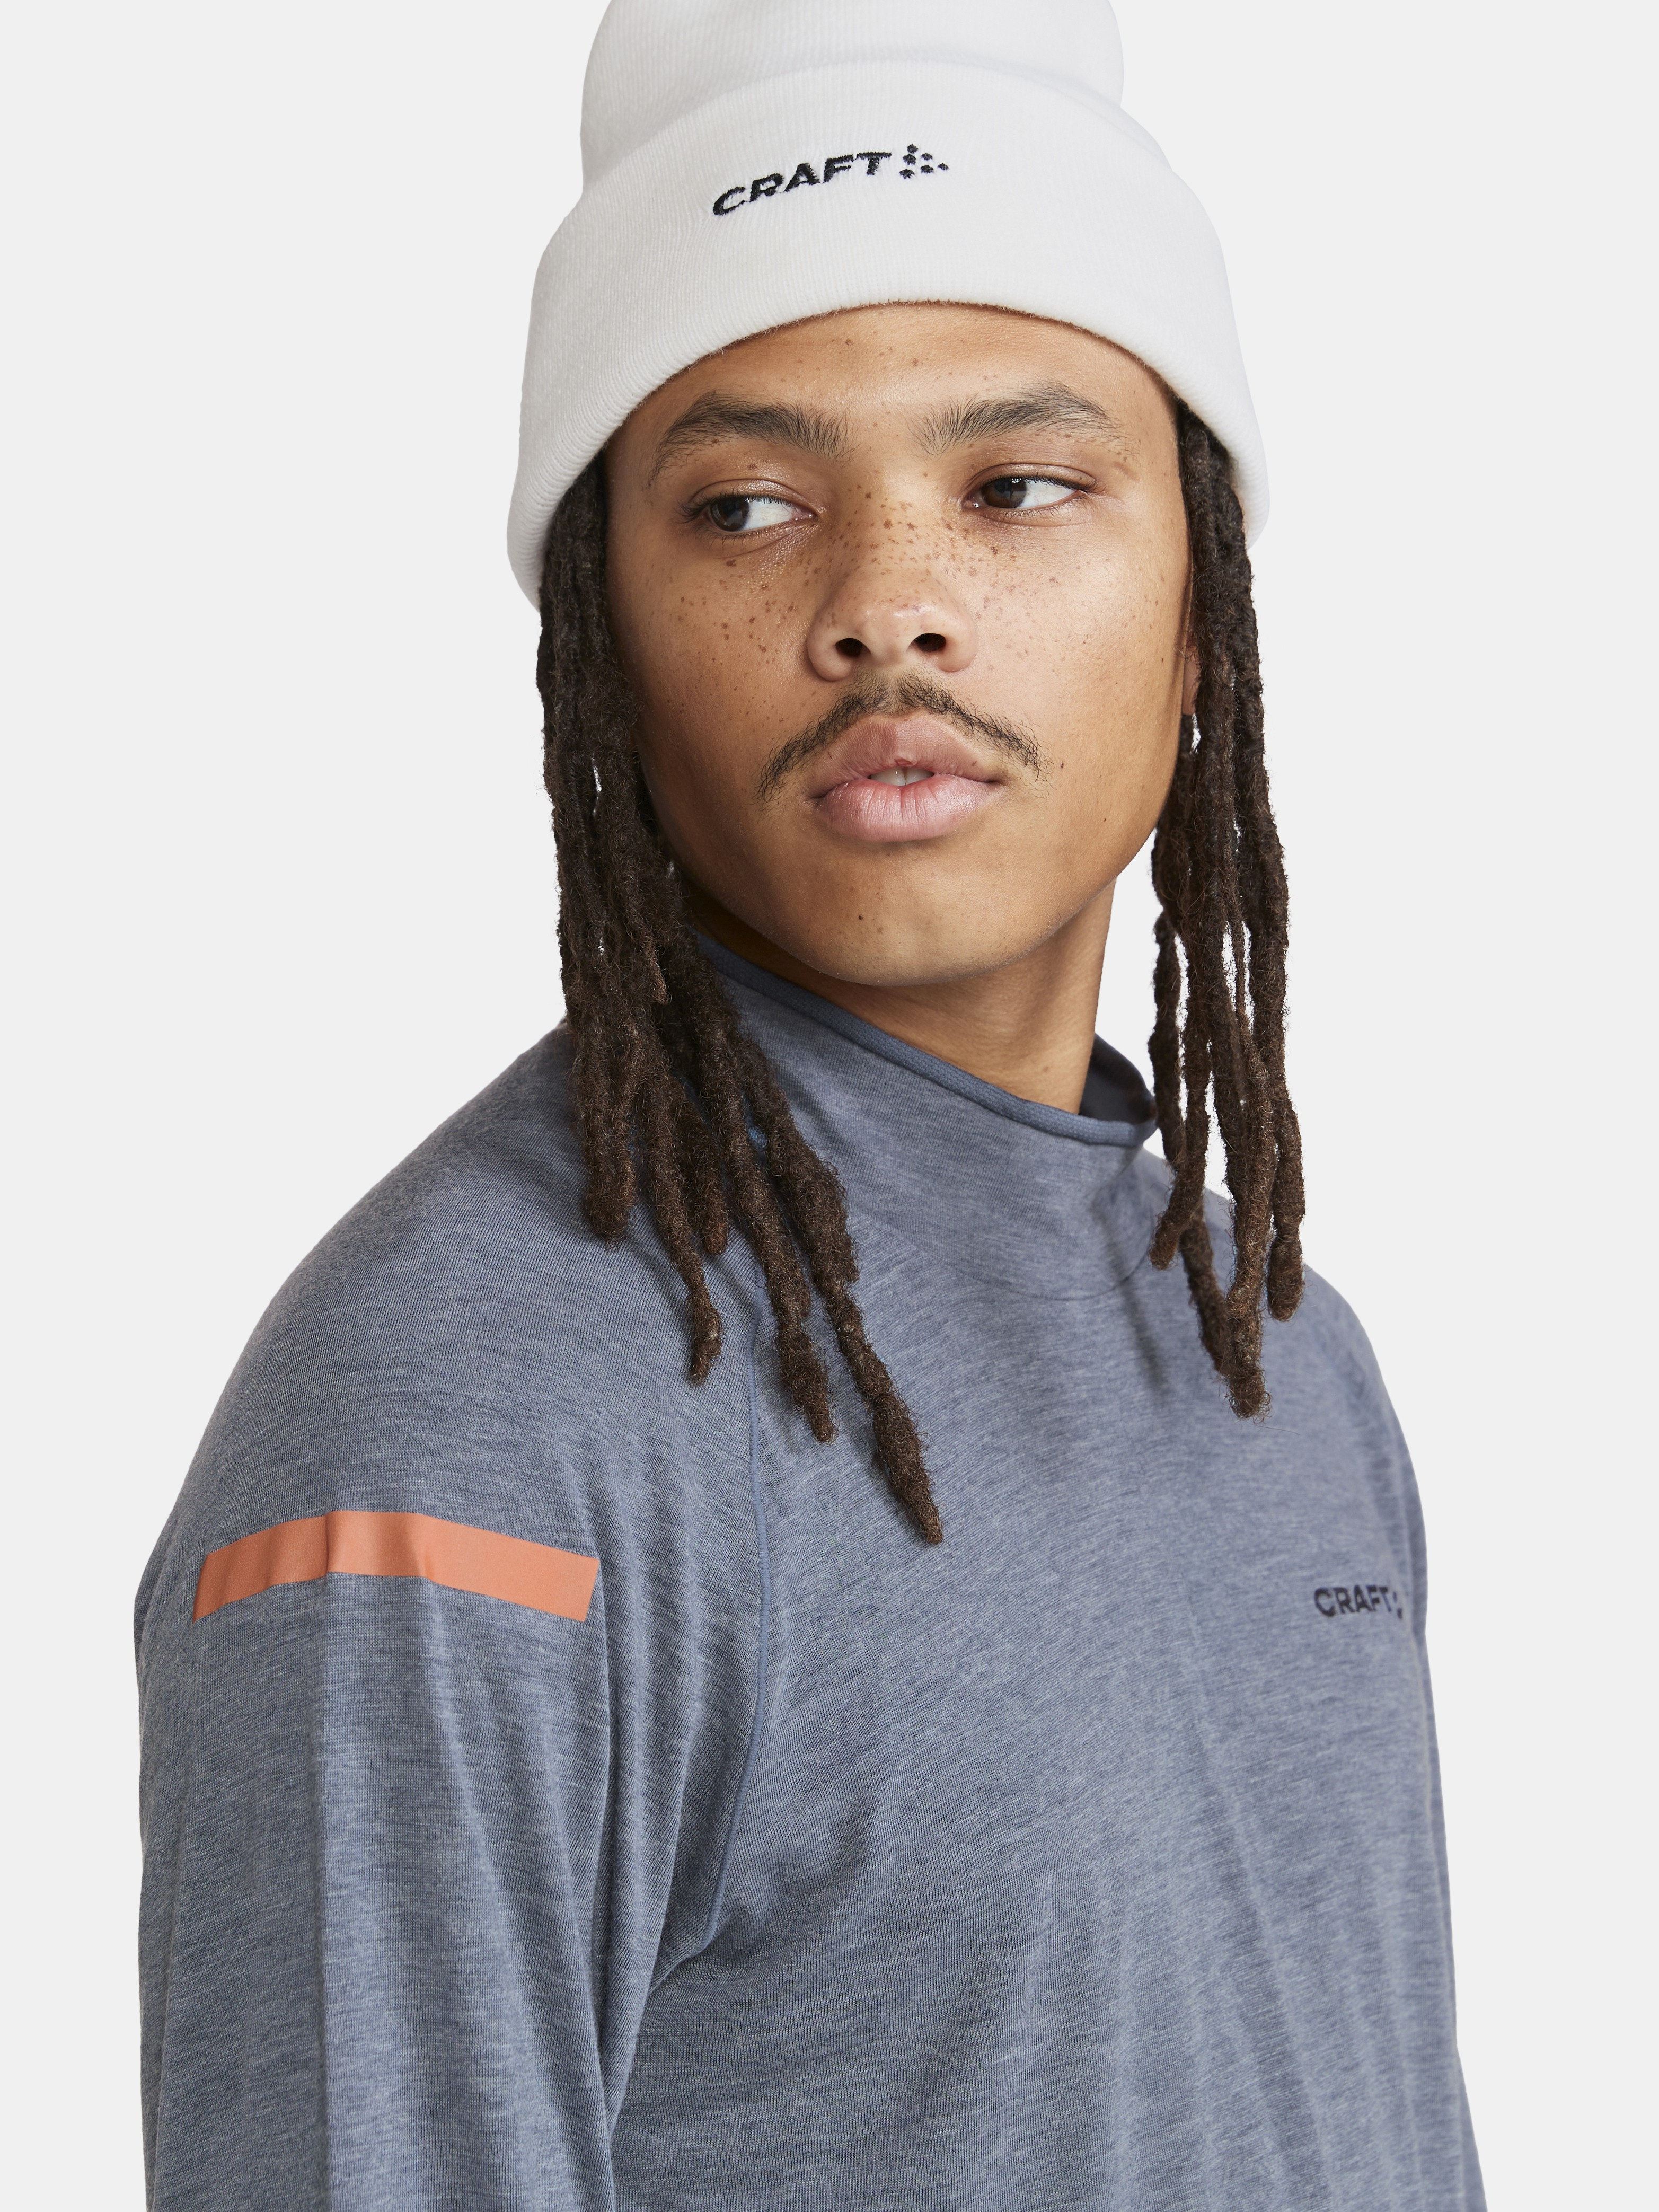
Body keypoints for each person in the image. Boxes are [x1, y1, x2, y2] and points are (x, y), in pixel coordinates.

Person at [136, 3, 1484, 2206]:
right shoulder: (460, 1416)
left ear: (1201, 609)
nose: (887, 611)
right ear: (601, 646)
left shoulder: (1274, 1350)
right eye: (746, 508)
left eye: (1016, 487)